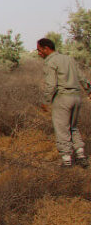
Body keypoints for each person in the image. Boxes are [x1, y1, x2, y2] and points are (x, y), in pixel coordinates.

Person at [36, 37, 91, 168]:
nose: (38, 53)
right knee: (73, 127)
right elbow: (82, 78)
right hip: (76, 98)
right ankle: (81, 155)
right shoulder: (69, 58)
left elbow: (51, 85)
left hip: (62, 98)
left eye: (39, 50)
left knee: (61, 129)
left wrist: (45, 101)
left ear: (46, 48)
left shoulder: (51, 62)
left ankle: (66, 160)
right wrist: (89, 91)